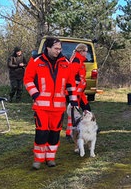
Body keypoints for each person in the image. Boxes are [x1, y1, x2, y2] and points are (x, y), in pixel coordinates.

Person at [24, 37, 77, 170]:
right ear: (47, 48)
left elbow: (71, 83)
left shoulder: (65, 62)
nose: (58, 51)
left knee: (54, 133)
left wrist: (73, 99)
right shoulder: (36, 61)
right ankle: (38, 160)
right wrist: (35, 94)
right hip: (41, 106)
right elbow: (28, 79)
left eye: (60, 49)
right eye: (56, 48)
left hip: (58, 107)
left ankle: (50, 158)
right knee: (41, 133)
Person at [66, 43, 92, 139]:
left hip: (79, 92)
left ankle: (88, 128)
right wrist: (74, 93)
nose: (86, 53)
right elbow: (71, 77)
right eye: (85, 51)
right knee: (74, 112)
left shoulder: (79, 61)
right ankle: (71, 133)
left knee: (86, 109)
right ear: (81, 51)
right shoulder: (76, 61)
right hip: (75, 92)